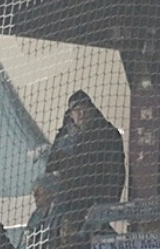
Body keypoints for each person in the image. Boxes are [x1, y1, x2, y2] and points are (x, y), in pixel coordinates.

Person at [47, 91, 126, 224]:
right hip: (65, 204)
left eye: (85, 109)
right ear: (71, 114)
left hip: (93, 203)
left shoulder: (107, 134)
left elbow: (115, 172)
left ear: (92, 110)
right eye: (77, 110)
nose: (81, 114)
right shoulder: (62, 138)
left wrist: (106, 204)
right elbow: (51, 168)